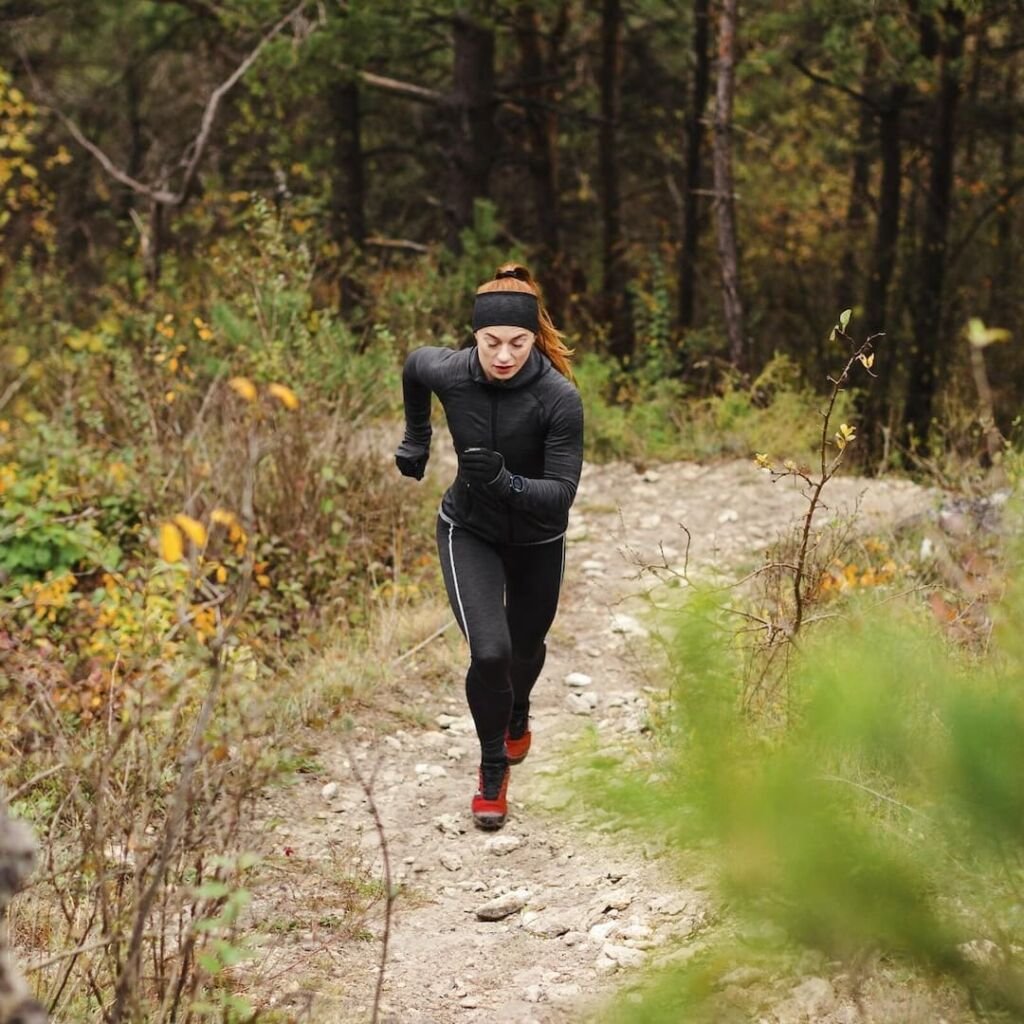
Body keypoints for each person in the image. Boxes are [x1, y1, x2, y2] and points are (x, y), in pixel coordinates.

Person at [394, 263, 584, 830]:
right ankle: (492, 768)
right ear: (475, 336)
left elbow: (562, 496)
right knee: (491, 653)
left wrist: (508, 483)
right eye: (492, 342)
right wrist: (416, 438)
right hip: (468, 529)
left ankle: (519, 711)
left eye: (518, 343)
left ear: (534, 338)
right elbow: (412, 367)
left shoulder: (558, 398)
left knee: (525, 651)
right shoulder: (451, 371)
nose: (504, 355)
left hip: (538, 538)